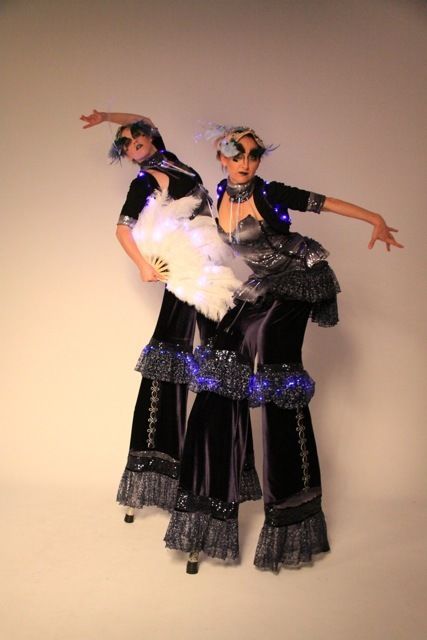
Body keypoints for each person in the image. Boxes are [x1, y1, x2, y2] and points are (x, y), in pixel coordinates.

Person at [164, 124, 403, 573]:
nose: (246, 162)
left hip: (301, 277)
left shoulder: (270, 192)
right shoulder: (220, 192)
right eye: (237, 154)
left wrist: (374, 218)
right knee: (222, 360)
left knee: (274, 368)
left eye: (254, 155)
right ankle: (210, 502)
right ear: (222, 157)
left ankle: (293, 513)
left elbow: (326, 203)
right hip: (264, 282)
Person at [80, 111, 261, 522]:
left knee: (222, 357)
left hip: (209, 265)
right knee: (169, 359)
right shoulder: (144, 180)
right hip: (184, 274)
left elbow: (142, 118)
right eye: (126, 145)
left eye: (137, 138)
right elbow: (122, 229)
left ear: (149, 138)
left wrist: (108, 116)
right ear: (126, 154)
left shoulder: (170, 159)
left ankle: (223, 474)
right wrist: (144, 266)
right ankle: (157, 474)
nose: (134, 145)